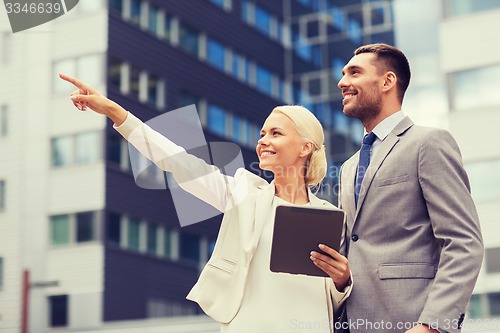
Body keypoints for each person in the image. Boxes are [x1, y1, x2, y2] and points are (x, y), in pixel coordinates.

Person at [59, 73, 352, 333]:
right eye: (262, 133)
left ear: (305, 147)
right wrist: (115, 112)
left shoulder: (329, 216)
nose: (262, 141)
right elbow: (177, 162)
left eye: (276, 133)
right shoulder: (243, 193)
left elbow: (329, 294)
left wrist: (342, 280)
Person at [315, 43, 483, 333]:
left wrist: (432, 325)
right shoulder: (348, 167)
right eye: (343, 74)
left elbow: (464, 242)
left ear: (387, 81)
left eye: (354, 72)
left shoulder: (428, 143)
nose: (342, 82)